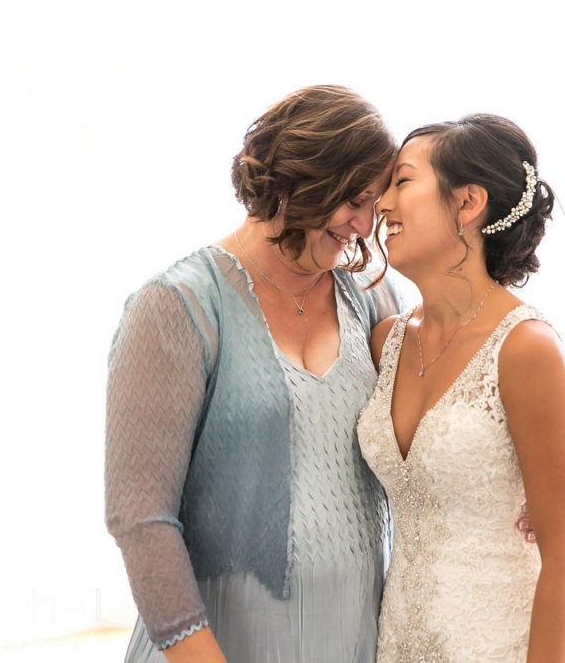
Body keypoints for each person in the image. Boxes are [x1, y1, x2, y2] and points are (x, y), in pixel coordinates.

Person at [105, 85, 406, 663]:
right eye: (354, 199)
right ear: (303, 178)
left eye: (376, 203)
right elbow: (139, 515)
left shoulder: (374, 299)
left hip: (349, 642)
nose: (366, 225)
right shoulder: (177, 306)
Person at [357, 114, 565, 662]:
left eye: (402, 181)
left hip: (499, 645)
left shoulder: (527, 348)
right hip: (399, 644)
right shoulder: (384, 341)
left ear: (467, 203)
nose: (381, 204)